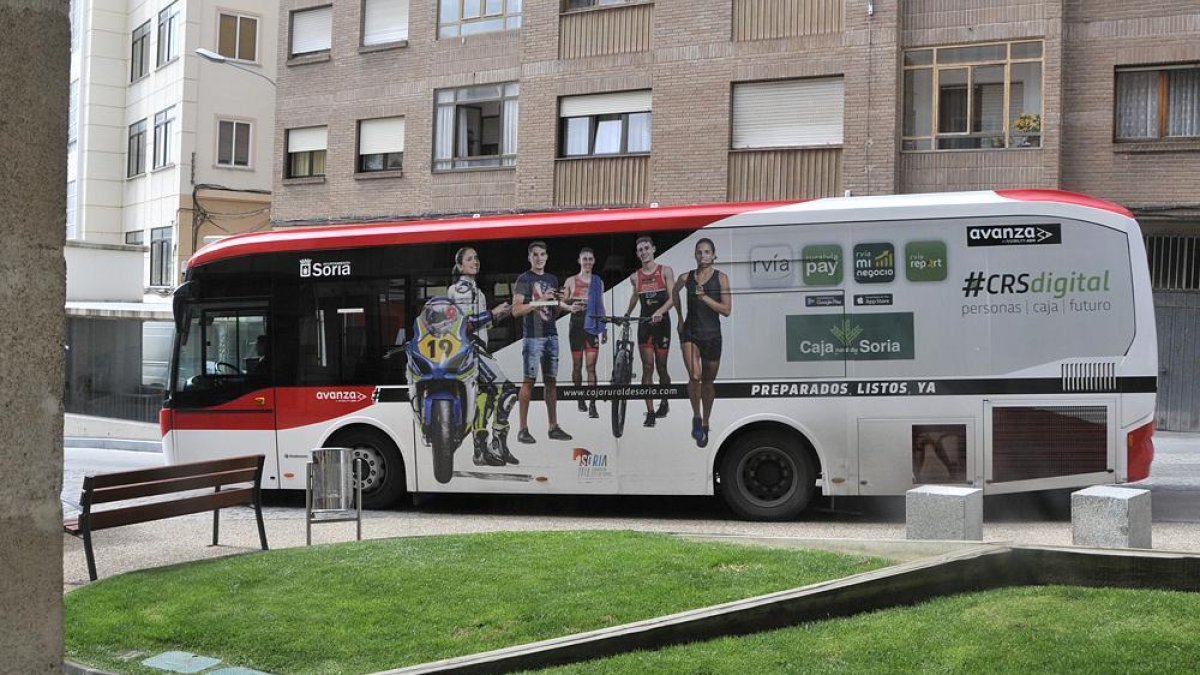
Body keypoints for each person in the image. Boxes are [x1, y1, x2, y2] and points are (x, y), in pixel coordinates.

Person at [446, 246, 520, 466]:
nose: (475, 262)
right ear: (460, 266)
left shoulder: (475, 290)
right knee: (507, 390)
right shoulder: (460, 290)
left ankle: (480, 451)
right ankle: (497, 443)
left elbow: (479, 323)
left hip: (477, 348)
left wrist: (499, 315)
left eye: (477, 258)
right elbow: (462, 326)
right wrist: (493, 313)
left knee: (485, 396)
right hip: (470, 349)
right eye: (470, 259)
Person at [512, 241, 577, 443]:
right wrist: (541, 299)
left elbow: (554, 310)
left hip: (551, 334)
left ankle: (553, 426)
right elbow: (516, 310)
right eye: (535, 255)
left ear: (547, 257)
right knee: (528, 382)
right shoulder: (524, 279)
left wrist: (565, 304)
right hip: (533, 336)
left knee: (551, 382)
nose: (539, 258)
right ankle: (522, 429)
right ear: (530, 258)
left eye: (542, 254)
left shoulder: (551, 278)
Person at [672, 238, 731, 448]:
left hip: (713, 336)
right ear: (695, 255)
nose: (703, 256)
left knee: (707, 382)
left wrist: (704, 297)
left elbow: (726, 310)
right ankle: (696, 416)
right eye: (699, 252)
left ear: (714, 255)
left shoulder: (721, 278)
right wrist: (679, 318)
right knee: (694, 376)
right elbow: (673, 292)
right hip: (691, 333)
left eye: (707, 252)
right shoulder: (686, 277)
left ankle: (706, 421)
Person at [623, 236, 674, 428]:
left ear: (653, 249)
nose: (643, 252)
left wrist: (660, 312)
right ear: (637, 254)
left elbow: (673, 298)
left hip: (662, 325)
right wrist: (627, 314)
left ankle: (665, 402)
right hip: (645, 326)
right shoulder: (635, 277)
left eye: (646, 248)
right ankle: (650, 412)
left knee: (662, 368)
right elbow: (635, 297)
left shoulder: (665, 271)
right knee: (647, 367)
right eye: (640, 250)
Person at [564, 247, 606, 419]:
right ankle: (580, 396)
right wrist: (569, 307)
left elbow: (601, 304)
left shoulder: (598, 281)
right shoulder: (571, 281)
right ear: (579, 261)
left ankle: (592, 404)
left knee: (591, 367)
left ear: (594, 261)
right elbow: (560, 302)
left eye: (590, 259)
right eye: (584, 259)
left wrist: (604, 328)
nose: (587, 262)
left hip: (592, 327)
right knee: (577, 366)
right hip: (576, 326)